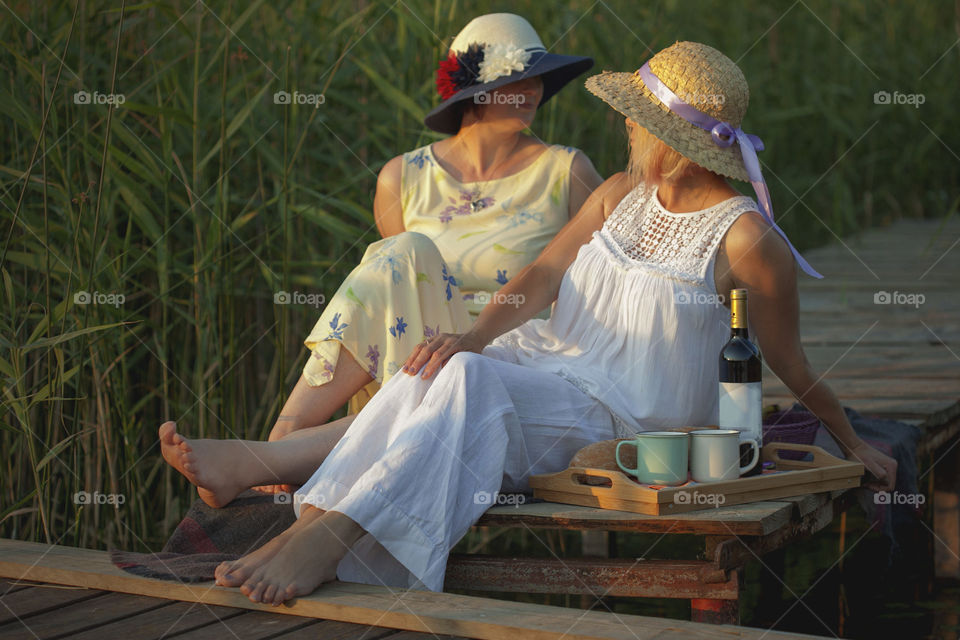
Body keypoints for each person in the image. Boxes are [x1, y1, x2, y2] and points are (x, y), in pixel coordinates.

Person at [159, 41, 898, 606]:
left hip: (629, 415)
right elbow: (541, 277)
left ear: (667, 137)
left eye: (638, 120)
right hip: (552, 365)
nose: (627, 129)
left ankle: (330, 534)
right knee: (446, 368)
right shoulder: (618, 193)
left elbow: (791, 362)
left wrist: (853, 440)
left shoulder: (746, 240)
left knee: (472, 385)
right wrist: (470, 336)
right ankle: (280, 489)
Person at [267, 12, 602, 456]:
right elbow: (390, 295)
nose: (533, 90)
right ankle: (286, 433)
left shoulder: (567, 171)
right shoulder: (402, 177)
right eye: (517, 79)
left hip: (512, 352)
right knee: (405, 251)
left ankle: (281, 454)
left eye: (538, 78)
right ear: (475, 91)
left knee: (406, 251)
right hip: (418, 350)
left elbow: (600, 282)